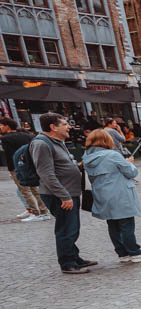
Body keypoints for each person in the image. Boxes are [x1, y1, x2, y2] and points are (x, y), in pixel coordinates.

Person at [33, 114, 96, 274]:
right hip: (59, 195)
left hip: (68, 192)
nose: (69, 127)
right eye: (65, 124)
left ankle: (74, 257)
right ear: (53, 127)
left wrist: (77, 166)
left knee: (72, 228)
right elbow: (46, 174)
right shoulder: (42, 144)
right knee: (66, 229)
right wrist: (64, 196)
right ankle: (67, 263)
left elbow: (61, 165)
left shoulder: (57, 142)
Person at [81, 130, 141, 263]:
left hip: (102, 194)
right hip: (119, 192)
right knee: (126, 223)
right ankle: (135, 252)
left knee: (113, 224)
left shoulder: (86, 157)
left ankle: (122, 253)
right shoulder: (112, 155)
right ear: (105, 141)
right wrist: (130, 162)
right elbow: (131, 172)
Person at [0, 117, 46, 221]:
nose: (0, 128)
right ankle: (44, 211)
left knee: (24, 190)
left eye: (1, 126)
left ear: (7, 126)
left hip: (17, 167)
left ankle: (35, 213)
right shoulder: (27, 135)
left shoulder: (6, 139)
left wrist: (11, 169)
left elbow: (10, 155)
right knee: (35, 189)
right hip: (30, 165)